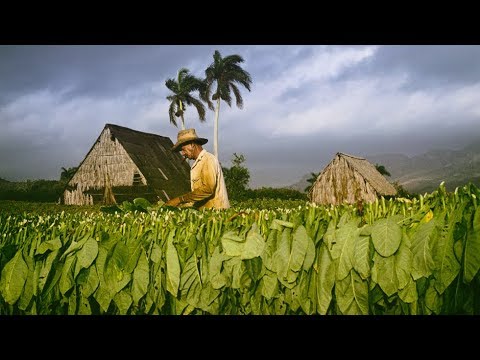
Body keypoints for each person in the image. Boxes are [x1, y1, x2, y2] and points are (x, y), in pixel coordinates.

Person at [165, 128, 230, 209]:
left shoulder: (207, 159)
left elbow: (208, 189)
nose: (182, 153)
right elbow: (198, 195)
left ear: (192, 145)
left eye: (183, 149)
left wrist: (180, 200)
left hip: (217, 213)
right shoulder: (198, 163)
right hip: (206, 213)